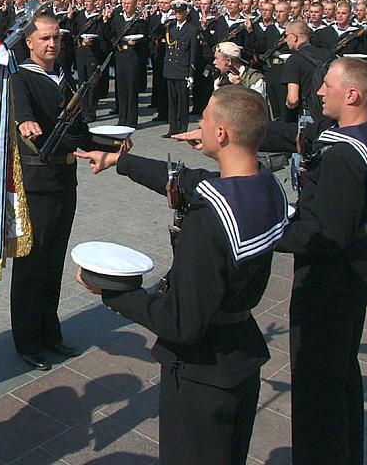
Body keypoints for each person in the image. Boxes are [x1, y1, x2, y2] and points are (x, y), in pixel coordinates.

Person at [75, 85, 288, 465]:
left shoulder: (209, 219)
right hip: (241, 354)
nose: (198, 125)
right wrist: (119, 161)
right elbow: (189, 181)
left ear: (221, 133)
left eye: (204, 119)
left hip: (201, 373)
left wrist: (112, 291)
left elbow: (180, 321)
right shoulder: (270, 187)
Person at [273, 58, 367, 465]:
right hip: (351, 272)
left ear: (351, 95)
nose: (319, 91)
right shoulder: (363, 132)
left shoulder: (344, 157)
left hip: (329, 284)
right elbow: (299, 135)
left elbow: (323, 235)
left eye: (327, 86)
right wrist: (239, 131)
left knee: (316, 392)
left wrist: (261, 232)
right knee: (340, 379)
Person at [9, 13, 107, 371]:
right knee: (32, 264)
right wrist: (25, 121)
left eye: (57, 39)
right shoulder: (19, 77)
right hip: (37, 183)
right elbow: (21, 111)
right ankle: (27, 341)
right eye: (45, 38)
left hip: (66, 179)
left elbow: (79, 131)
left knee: (53, 262)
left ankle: (50, 331)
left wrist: (108, 145)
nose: (52, 44)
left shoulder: (66, 78)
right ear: (30, 42)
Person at [163, 0, 199, 138]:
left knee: (183, 102)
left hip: (182, 68)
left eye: (181, 12)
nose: (178, 14)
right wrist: (163, 20)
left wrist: (191, 73)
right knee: (172, 102)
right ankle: (172, 128)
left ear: (186, 13)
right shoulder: (170, 28)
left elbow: (193, 53)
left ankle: (182, 129)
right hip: (170, 68)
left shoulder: (192, 29)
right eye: (176, 12)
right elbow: (154, 33)